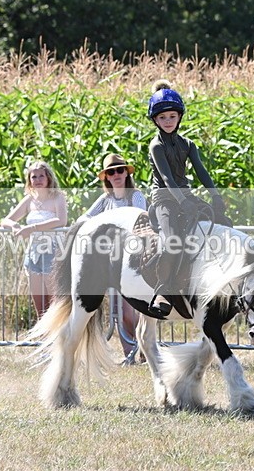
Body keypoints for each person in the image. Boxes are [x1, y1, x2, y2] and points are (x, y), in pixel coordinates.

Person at [146, 79, 231, 317]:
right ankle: (163, 289)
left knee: (223, 225)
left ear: (179, 117)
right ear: (155, 120)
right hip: (165, 200)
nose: (168, 121)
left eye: (172, 116)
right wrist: (183, 202)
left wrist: (215, 197)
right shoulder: (156, 146)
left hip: (186, 196)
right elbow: (167, 178)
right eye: (163, 118)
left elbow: (201, 172)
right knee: (172, 242)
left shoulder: (188, 144)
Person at [78, 153, 147, 360]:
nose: (116, 174)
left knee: (129, 311)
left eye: (120, 170)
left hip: (132, 260)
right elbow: (85, 217)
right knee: (116, 311)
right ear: (106, 177)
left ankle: (144, 350)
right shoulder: (105, 199)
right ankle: (129, 354)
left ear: (126, 173)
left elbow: (138, 219)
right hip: (110, 262)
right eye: (111, 172)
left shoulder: (135, 196)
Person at [1, 161, 67, 318]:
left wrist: (32, 228)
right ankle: (42, 339)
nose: (37, 179)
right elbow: (5, 220)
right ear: (29, 180)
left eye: (41, 176)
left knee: (55, 303)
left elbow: (61, 221)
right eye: (34, 177)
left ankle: (57, 339)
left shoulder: (58, 197)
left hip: (54, 251)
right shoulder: (29, 200)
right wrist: (15, 226)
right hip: (33, 254)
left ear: (48, 178)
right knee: (39, 303)